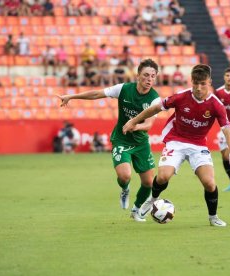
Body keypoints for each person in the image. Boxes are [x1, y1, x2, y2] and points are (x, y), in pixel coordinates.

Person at [122, 64, 230, 227]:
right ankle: (153, 199)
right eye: (196, 84)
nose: (199, 88)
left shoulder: (216, 104)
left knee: (209, 183)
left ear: (209, 82)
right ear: (191, 81)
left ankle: (213, 217)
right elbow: (155, 109)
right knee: (163, 176)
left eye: (203, 84)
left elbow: (227, 130)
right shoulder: (180, 97)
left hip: (198, 144)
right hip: (176, 140)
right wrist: (133, 121)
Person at [57, 59, 161, 221]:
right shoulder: (124, 89)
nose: (149, 79)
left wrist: (135, 126)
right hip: (122, 140)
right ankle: (125, 189)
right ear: (138, 75)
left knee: (148, 182)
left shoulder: (155, 99)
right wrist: (72, 96)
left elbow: (148, 125)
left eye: (153, 76)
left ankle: (136, 210)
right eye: (146, 75)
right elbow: (97, 94)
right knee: (125, 175)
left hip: (141, 143)